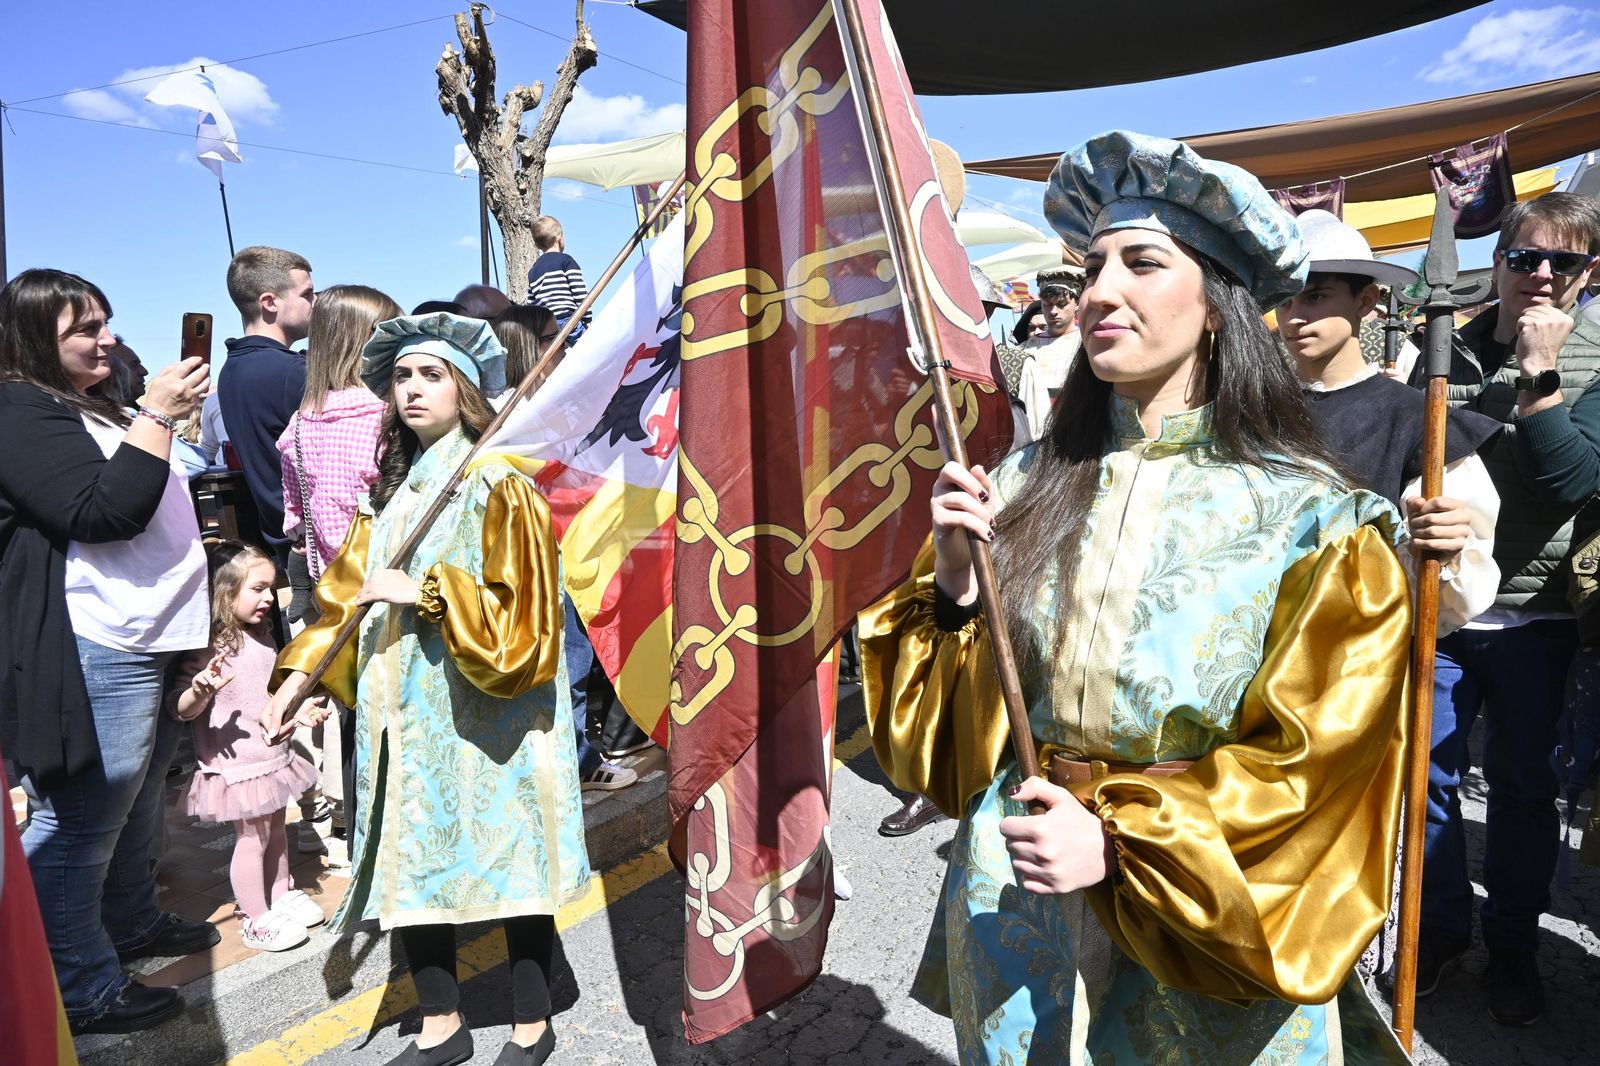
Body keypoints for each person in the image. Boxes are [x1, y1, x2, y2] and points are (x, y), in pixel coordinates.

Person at [862, 132, 1414, 1063]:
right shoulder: (1028, 479)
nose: (1099, 293)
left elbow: (1321, 768)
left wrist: (1119, 843)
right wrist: (955, 584)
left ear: (1218, 307)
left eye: (1143, 263)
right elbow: (944, 751)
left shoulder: (1317, 520)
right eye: (1091, 267)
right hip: (1021, 892)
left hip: (1202, 910)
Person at [267, 313, 589, 1066]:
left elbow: (529, 625)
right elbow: (345, 600)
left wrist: (430, 591)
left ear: (467, 390)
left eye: (431, 375)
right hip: (404, 716)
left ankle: (532, 1023)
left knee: (511, 862)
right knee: (413, 862)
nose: (410, 389)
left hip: (488, 711)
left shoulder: (496, 482)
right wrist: (296, 678)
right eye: (401, 377)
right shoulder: (393, 491)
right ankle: (441, 1026)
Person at [0, 268, 219, 1035]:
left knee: (134, 803)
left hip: (150, 631)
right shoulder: (17, 406)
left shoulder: (82, 401)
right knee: (85, 813)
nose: (108, 339)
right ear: (33, 338)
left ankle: (130, 923)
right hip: (99, 639)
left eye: (106, 322)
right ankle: (82, 986)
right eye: (84, 329)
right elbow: (103, 514)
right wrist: (156, 412)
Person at [1405, 191, 1600, 1025]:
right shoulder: (1447, 344)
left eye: (1565, 263)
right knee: (1429, 779)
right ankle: (1441, 928)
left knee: (1520, 788)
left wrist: (1540, 373)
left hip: (1538, 613)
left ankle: (1512, 942)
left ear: (1590, 273)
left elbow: (1571, 483)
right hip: (1446, 604)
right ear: (1500, 261)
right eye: (1527, 259)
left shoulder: (1594, 354)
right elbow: (1410, 453)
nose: (1543, 277)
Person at [1282, 209, 1502, 634]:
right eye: (1285, 300)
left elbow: (1456, 593)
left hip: (1353, 658)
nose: (1293, 318)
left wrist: (1444, 542)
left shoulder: (1415, 418)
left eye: (1315, 297)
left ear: (1365, 301)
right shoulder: (1253, 408)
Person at [277, 284, 402, 857]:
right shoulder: (385, 419)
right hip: (395, 591)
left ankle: (362, 843)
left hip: (337, 602)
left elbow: (295, 524)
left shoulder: (300, 427)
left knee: (355, 724)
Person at [171, 542, 327, 952]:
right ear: (225, 592)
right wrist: (199, 690)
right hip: (238, 767)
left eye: (270, 588)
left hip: (270, 759)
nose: (269, 598)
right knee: (252, 838)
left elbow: (268, 699)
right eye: (258, 588)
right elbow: (182, 708)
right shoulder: (209, 648)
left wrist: (301, 710)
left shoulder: (261, 638)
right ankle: (255, 916)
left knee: (276, 830)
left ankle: (280, 894)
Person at [218, 245, 316, 570]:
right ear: (270, 302)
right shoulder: (291, 372)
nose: (316, 304)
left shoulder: (231, 369)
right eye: (308, 295)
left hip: (279, 542)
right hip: (317, 546)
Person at [1013, 266, 1082, 442]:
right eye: (1047, 305)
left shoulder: (1088, 345)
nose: (1053, 312)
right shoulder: (1023, 351)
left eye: (1061, 304)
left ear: (1077, 304)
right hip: (1034, 436)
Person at [526, 216, 592, 340]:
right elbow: (579, 292)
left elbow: (532, 305)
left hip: (547, 326)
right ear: (560, 238)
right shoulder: (566, 261)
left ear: (536, 244)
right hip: (570, 320)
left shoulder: (533, 271)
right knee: (591, 349)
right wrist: (587, 318)